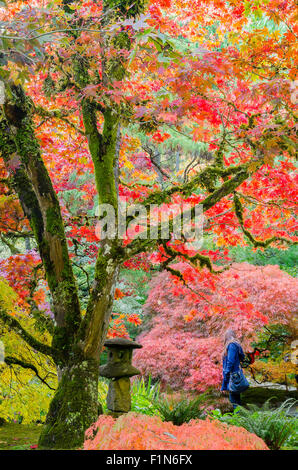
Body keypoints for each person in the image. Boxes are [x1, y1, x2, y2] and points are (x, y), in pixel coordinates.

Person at [221, 329, 245, 410]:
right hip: (235, 375)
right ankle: (240, 418)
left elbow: (230, 362)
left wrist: (226, 377)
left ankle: (237, 420)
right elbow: (242, 357)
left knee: (234, 400)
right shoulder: (237, 345)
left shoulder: (231, 345)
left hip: (232, 376)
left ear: (226, 337)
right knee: (237, 399)